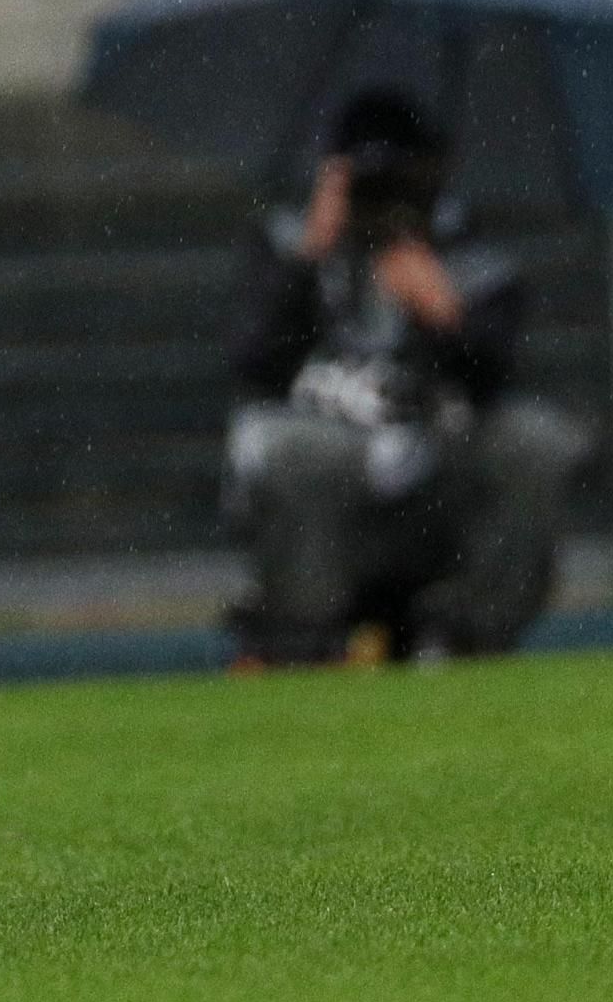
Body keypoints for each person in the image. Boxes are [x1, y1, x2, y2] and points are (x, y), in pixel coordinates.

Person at [224, 89, 586, 665]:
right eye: (364, 175)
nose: (381, 193)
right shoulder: (292, 243)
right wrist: (310, 258)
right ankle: (302, 643)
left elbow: (496, 378)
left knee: (537, 442)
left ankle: (466, 635)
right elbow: (255, 367)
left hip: (442, 485)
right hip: (330, 496)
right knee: (286, 445)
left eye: (398, 174)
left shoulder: (467, 250)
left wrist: (443, 315)